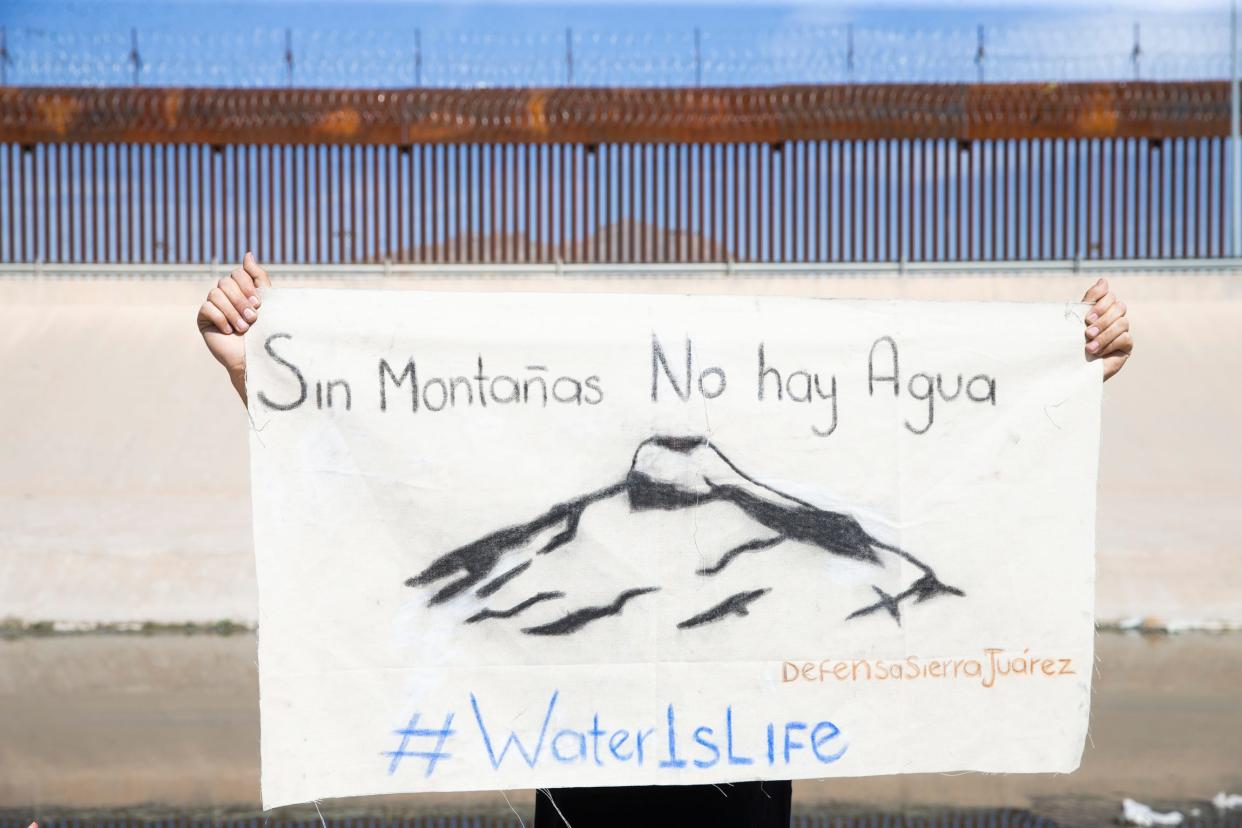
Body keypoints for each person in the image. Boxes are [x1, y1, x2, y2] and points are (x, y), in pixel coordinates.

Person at [197, 254, 1132, 826]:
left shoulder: (783, 547)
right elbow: (392, 490)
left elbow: (952, 491)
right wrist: (261, 373)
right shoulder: (572, 550)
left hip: (748, 798)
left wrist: (1074, 372)